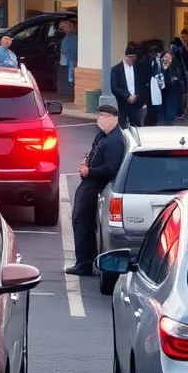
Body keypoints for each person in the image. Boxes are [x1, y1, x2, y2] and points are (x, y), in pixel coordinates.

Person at [66, 104, 125, 277]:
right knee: (81, 222)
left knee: (83, 222)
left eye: (101, 116)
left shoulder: (114, 141)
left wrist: (89, 171)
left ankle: (84, 263)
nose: (99, 119)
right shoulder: (103, 136)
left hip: (94, 185)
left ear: (111, 117)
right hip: (89, 184)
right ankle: (83, 260)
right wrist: (87, 161)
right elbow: (94, 151)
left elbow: (110, 168)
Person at [111, 46, 147, 128]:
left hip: (136, 102)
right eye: (130, 58)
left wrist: (141, 100)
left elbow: (141, 84)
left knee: (136, 126)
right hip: (123, 102)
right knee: (122, 126)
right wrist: (127, 96)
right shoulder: (116, 69)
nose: (132, 60)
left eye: (134, 58)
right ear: (125, 56)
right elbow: (114, 87)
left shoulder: (137, 68)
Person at [60, 20, 78, 89]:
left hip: (71, 59)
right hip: (71, 59)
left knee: (71, 77)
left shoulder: (71, 38)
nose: (63, 29)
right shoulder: (71, 37)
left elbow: (67, 50)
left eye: (64, 27)